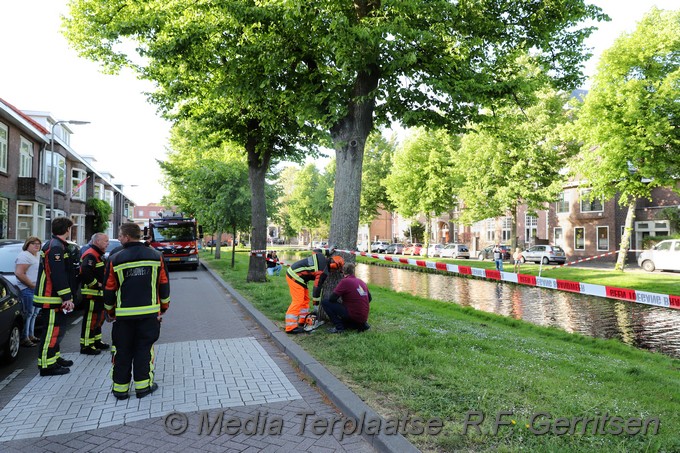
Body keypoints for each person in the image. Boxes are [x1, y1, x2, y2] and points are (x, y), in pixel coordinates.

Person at [104, 223, 170, 400]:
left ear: (126, 237)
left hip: (123, 317)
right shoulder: (156, 256)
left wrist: (110, 312)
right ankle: (143, 387)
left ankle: (120, 389)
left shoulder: (115, 259)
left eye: (119, 235)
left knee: (122, 351)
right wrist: (163, 308)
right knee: (144, 349)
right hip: (149, 315)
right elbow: (163, 284)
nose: (118, 238)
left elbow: (109, 289)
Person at [33, 217, 78, 376]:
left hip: (54, 296)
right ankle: (47, 365)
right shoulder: (56, 247)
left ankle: (54, 358)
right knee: (51, 331)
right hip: (51, 297)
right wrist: (66, 296)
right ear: (67, 229)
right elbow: (57, 274)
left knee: (57, 330)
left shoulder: (56, 245)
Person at [284, 249, 344, 334]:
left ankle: (302, 320)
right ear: (333, 266)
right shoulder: (322, 272)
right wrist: (316, 306)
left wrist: (327, 251)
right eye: (335, 270)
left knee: (305, 300)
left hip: (299, 277)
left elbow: (316, 250)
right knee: (298, 301)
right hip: (294, 276)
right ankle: (290, 327)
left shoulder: (321, 256)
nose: (334, 272)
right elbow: (317, 288)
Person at [79, 232, 110, 355]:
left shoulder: (98, 254)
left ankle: (96, 341)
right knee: (90, 320)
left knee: (98, 319)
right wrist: (97, 284)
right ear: (97, 242)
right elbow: (85, 273)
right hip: (92, 294)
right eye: (105, 241)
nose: (107, 243)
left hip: (98, 294)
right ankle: (86, 345)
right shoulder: (91, 255)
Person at [321, 262, 371, 334]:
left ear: (343, 271)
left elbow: (332, 299)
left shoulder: (345, 281)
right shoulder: (361, 282)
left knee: (325, 302)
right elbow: (369, 299)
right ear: (353, 271)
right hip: (363, 318)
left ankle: (339, 327)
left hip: (353, 315)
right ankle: (360, 325)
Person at [14, 236, 42, 347]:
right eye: (33, 243)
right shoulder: (24, 256)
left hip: (36, 289)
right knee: (28, 314)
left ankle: (31, 335)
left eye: (38, 243)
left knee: (34, 313)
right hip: (27, 289)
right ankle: (24, 338)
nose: (36, 245)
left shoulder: (37, 255)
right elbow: (19, 273)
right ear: (27, 245)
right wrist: (31, 285)